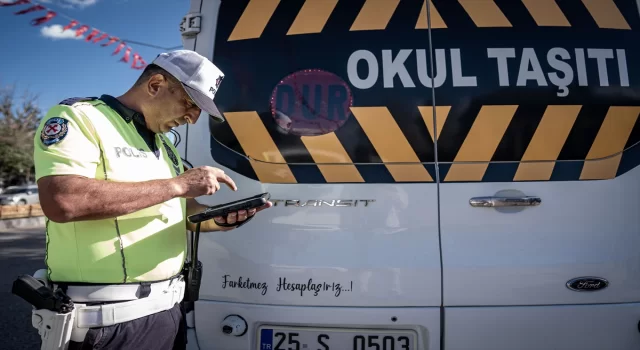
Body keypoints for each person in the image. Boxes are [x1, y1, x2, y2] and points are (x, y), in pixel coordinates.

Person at [32, 50, 271, 350]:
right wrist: (178, 184)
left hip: (167, 313)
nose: (192, 118)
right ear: (156, 84)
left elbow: (182, 213)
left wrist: (218, 219)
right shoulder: (80, 117)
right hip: (105, 323)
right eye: (189, 103)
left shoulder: (165, 147)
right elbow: (62, 200)